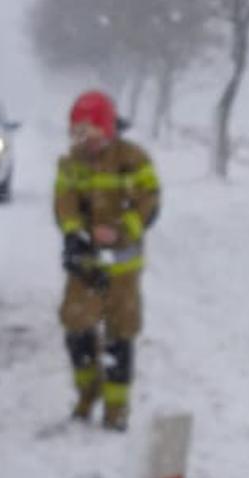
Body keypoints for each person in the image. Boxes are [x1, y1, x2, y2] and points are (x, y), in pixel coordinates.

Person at [54, 90, 160, 431]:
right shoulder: (72, 163)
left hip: (122, 269)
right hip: (85, 265)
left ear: (107, 128)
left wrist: (121, 231)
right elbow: (64, 203)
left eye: (90, 132)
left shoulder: (134, 159)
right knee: (76, 330)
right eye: (78, 133)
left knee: (120, 337)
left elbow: (149, 203)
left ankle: (116, 412)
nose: (84, 140)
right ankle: (87, 396)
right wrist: (74, 234)